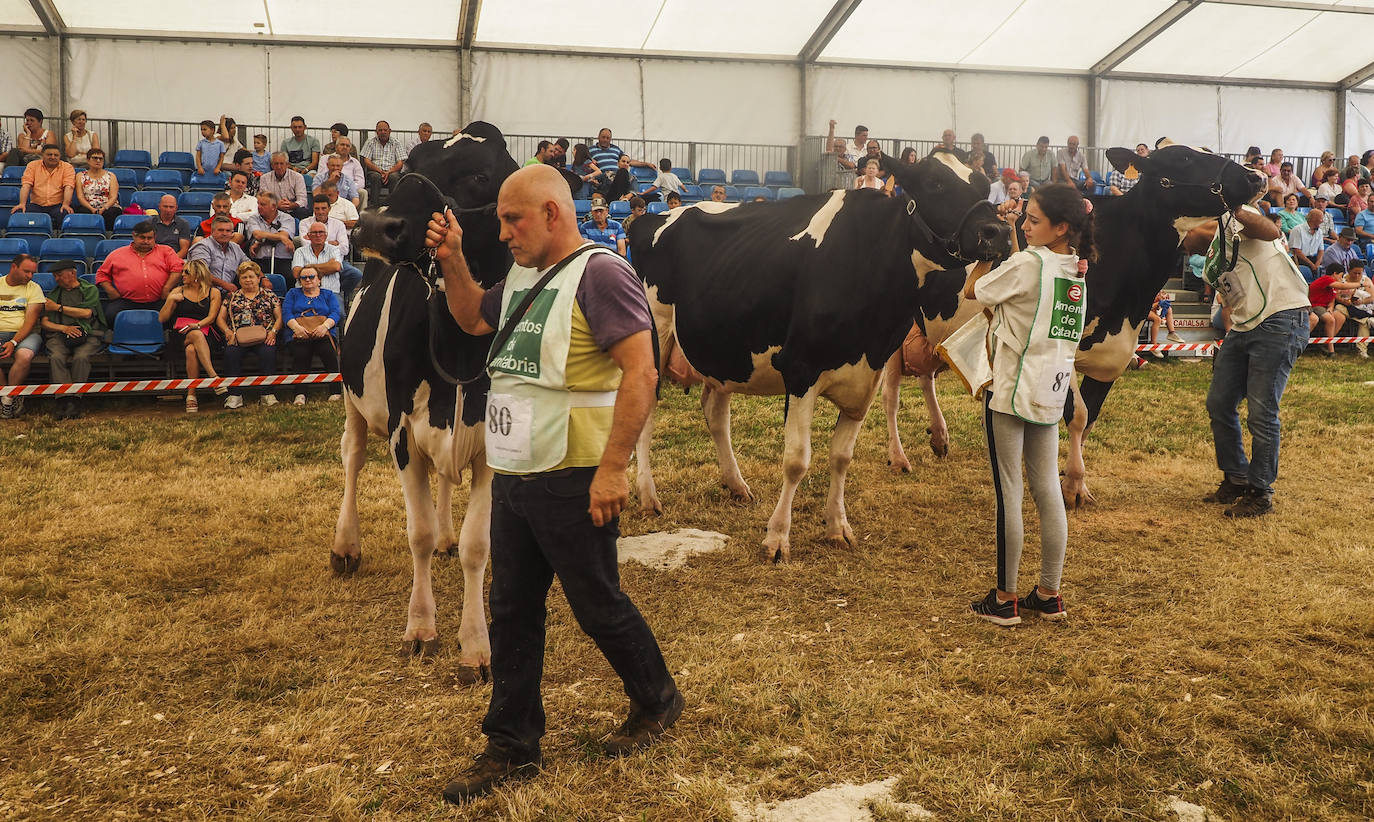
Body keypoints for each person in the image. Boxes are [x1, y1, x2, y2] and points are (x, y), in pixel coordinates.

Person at [428, 164, 682, 802]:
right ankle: (512, 743)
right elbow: (468, 319)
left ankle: (657, 700)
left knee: (597, 603)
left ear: (552, 214)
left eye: (513, 220)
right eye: (499, 221)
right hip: (515, 474)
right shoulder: (518, 277)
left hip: (575, 476)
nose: (505, 233)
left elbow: (641, 373)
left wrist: (615, 468)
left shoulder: (600, 274)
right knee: (512, 610)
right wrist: (455, 259)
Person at [963, 183, 1088, 626]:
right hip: (1052, 387)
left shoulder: (1026, 262)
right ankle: (1049, 594)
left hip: (1013, 387)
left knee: (1009, 493)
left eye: (1033, 220)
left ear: (1061, 227)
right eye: (1025, 218)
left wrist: (982, 254)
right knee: (1047, 490)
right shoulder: (1075, 268)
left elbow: (973, 292)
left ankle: (1004, 599)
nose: (1023, 224)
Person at [1185, 190, 1315, 518]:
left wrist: (1233, 207)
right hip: (1244, 326)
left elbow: (1271, 230)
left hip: (1282, 316)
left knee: (1262, 412)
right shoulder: (1209, 263)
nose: (1185, 238)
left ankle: (1260, 492)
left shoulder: (1235, 222)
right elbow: (1232, 294)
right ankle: (1236, 476)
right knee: (1219, 402)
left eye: (1187, 230)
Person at [158, 259, 227, 413]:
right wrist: (170, 300)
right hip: (180, 334)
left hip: (206, 332)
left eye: (186, 272)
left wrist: (197, 325)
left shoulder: (213, 292)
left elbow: (211, 317)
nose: (182, 274)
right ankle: (214, 378)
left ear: (197, 274)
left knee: (191, 350)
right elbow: (161, 319)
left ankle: (191, 395)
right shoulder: (178, 291)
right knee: (194, 336)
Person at [40, 260, 104, 419]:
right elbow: (45, 322)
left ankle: (75, 400)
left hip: (88, 333)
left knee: (81, 357)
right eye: (55, 276)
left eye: (59, 275)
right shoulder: (55, 293)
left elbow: (86, 314)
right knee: (56, 357)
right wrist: (63, 328)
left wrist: (58, 308)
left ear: (73, 273)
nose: (56, 279)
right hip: (60, 334)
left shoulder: (89, 289)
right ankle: (65, 400)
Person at [217, 261, 282, 408]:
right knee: (231, 353)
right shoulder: (231, 297)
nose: (248, 280)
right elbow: (220, 318)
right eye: (244, 277)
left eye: (251, 276)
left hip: (264, 336)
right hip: (238, 338)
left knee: (268, 352)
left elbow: (279, 318)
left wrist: (273, 332)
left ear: (258, 278)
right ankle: (234, 395)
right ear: (239, 280)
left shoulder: (269, 295)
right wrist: (227, 332)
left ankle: (267, 394)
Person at [96, 220, 183, 325]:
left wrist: (166, 288)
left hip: (159, 300)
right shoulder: (117, 254)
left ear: (154, 237)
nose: (146, 241)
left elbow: (177, 269)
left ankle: (165, 338)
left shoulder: (166, 251)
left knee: (174, 314)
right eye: (142, 237)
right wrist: (110, 291)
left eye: (149, 238)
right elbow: (101, 274)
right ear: (134, 236)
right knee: (111, 315)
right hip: (126, 301)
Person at [281, 266, 341, 404]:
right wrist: (297, 328)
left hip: (323, 333)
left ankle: (335, 391)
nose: (308, 280)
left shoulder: (328, 294)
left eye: (311, 277)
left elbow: (335, 313)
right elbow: (286, 313)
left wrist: (324, 327)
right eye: (304, 277)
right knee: (301, 354)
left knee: (328, 352)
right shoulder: (293, 293)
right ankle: (300, 393)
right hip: (298, 334)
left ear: (319, 280)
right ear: (300, 280)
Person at [0, 255, 44, 419]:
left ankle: (8, 399)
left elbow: (30, 322)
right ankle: (6, 397)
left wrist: (13, 341)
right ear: (13, 267)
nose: (30, 276)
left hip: (27, 334)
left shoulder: (34, 288)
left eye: (33, 273)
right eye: (26, 272)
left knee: (24, 356)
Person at [299, 194, 362, 300]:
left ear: (329, 208)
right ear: (313, 209)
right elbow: (306, 245)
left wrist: (318, 242)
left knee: (356, 274)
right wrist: (332, 243)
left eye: (323, 208)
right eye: (317, 209)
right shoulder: (304, 223)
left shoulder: (338, 224)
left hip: (335, 261)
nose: (320, 212)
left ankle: (340, 293)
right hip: (311, 262)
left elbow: (345, 249)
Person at [12, 144, 75, 221]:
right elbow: (26, 186)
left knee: (66, 213)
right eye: (49, 154)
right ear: (42, 155)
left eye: (56, 155)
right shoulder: (32, 165)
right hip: (36, 205)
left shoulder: (67, 167)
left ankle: (58, 233)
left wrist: (66, 204)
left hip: (58, 205)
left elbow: (69, 187)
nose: (53, 157)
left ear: (60, 156)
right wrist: (22, 204)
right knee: (20, 212)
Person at [1307, 262, 1358, 356]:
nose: (1341, 279)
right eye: (1341, 276)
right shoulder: (1327, 279)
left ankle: (1324, 343)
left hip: (1325, 307)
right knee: (1330, 320)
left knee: (1340, 317)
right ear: (1334, 274)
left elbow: (1332, 300)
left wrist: (1330, 308)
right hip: (1314, 305)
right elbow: (1342, 286)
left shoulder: (1332, 287)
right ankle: (1331, 350)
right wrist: (1358, 284)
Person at [188, 215, 249, 291]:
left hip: (227, 293)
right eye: (220, 230)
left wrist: (263, 278)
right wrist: (224, 285)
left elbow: (249, 266)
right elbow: (200, 272)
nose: (224, 233)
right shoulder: (202, 246)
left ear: (232, 233)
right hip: (202, 292)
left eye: (228, 231)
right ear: (212, 231)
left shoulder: (235, 248)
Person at [244, 192, 298, 277]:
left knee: (290, 278)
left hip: (282, 260)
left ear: (273, 206)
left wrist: (260, 243)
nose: (259, 207)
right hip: (260, 260)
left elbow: (284, 235)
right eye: (258, 203)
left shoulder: (287, 218)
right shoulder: (253, 219)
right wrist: (279, 236)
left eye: (263, 204)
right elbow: (257, 235)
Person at [74, 148, 122, 230]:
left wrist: (103, 208)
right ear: (88, 160)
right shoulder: (80, 176)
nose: (98, 161)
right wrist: (92, 209)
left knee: (111, 213)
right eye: (95, 158)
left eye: (101, 159)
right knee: (82, 212)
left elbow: (113, 197)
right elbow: (80, 197)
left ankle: (108, 236)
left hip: (108, 206)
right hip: (88, 206)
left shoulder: (111, 176)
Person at [1334, 260, 1374, 358]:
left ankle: (1362, 350)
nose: (1356, 275)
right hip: (1346, 306)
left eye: (1359, 273)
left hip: (1362, 309)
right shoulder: (1342, 280)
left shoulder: (1366, 281)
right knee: (1339, 308)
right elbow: (1336, 295)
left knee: (1363, 323)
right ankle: (1362, 349)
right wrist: (1345, 301)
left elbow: (1372, 297)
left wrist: (1362, 302)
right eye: (1354, 273)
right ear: (1349, 270)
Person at [292, 221, 345, 293]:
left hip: (330, 293)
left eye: (321, 232)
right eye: (314, 233)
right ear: (308, 236)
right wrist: (327, 266)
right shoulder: (300, 251)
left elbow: (336, 267)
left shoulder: (334, 249)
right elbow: (296, 273)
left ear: (326, 235)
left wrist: (307, 267)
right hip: (304, 293)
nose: (318, 235)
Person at [361, 120, 405, 205]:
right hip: (375, 171)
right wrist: (380, 171)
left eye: (385, 130)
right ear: (376, 132)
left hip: (392, 171)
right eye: (380, 130)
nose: (383, 132)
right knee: (375, 177)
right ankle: (374, 206)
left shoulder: (396, 143)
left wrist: (388, 172)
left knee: (394, 177)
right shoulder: (370, 142)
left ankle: (393, 206)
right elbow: (366, 160)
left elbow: (400, 163)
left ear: (390, 131)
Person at [259, 152, 309, 219]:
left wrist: (292, 205)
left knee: (303, 211)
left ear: (287, 165)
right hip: (274, 210)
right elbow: (264, 199)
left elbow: (303, 200)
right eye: (276, 164)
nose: (279, 167)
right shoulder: (264, 178)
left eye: (281, 163)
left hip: (293, 210)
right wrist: (276, 205)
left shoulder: (297, 177)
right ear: (272, 165)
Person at [153, 194, 193, 259]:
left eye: (171, 207)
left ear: (176, 208)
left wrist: (172, 261)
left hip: (176, 259)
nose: (168, 210)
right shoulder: (149, 223)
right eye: (165, 206)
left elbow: (184, 250)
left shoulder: (183, 224)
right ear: (159, 206)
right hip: (155, 258)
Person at [1147, 289, 1184, 356]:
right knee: (1157, 319)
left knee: (1168, 308)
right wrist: (1157, 303)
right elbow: (1146, 307)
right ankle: (1153, 345)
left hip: (1152, 310)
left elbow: (1156, 308)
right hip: (1140, 310)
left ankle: (1171, 333)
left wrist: (1162, 300)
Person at [1287, 209, 1325, 273]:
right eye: (1321, 218)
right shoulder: (1297, 230)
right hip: (1300, 260)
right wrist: (1311, 264)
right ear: (1313, 219)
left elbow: (1321, 250)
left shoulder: (1319, 232)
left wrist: (1317, 263)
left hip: (1314, 259)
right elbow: (1297, 251)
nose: (1322, 221)